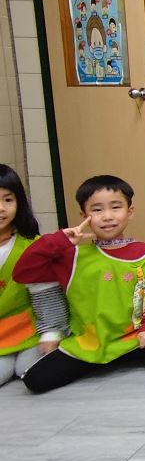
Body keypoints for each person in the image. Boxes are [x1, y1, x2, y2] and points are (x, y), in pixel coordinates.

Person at [14, 175, 145, 393]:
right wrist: (58, 240)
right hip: (92, 341)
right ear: (84, 216)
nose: (107, 216)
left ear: (129, 211)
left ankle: (119, 356)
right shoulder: (72, 256)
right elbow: (23, 272)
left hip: (138, 334)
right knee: (35, 381)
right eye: (97, 210)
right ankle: (111, 357)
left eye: (116, 207)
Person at [0, 165, 42, 385]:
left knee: (28, 371)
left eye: (8, 200)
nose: (1, 208)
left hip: (31, 331)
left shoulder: (32, 245)